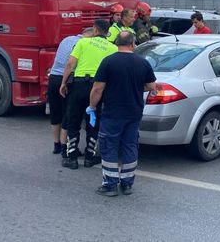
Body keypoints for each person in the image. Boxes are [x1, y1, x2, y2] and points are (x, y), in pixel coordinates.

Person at [89, 31, 156, 196]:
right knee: (130, 145)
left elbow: (98, 88)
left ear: (117, 43)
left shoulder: (108, 62)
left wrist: (92, 106)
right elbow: (151, 86)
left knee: (109, 145)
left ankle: (110, 185)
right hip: (134, 111)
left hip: (113, 112)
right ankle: (127, 184)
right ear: (132, 44)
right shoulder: (142, 63)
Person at [60, 19, 118, 170]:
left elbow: (70, 64)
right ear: (108, 32)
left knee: (74, 120)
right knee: (93, 122)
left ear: (95, 30)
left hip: (79, 86)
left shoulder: (83, 43)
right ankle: (89, 157)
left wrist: (63, 83)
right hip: (97, 88)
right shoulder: (113, 48)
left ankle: (71, 158)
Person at [48, 27, 94, 156]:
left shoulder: (66, 39)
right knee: (68, 115)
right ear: (89, 35)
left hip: (53, 77)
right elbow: (72, 64)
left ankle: (56, 145)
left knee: (55, 113)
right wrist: (65, 82)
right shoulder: (82, 44)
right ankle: (65, 149)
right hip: (66, 80)